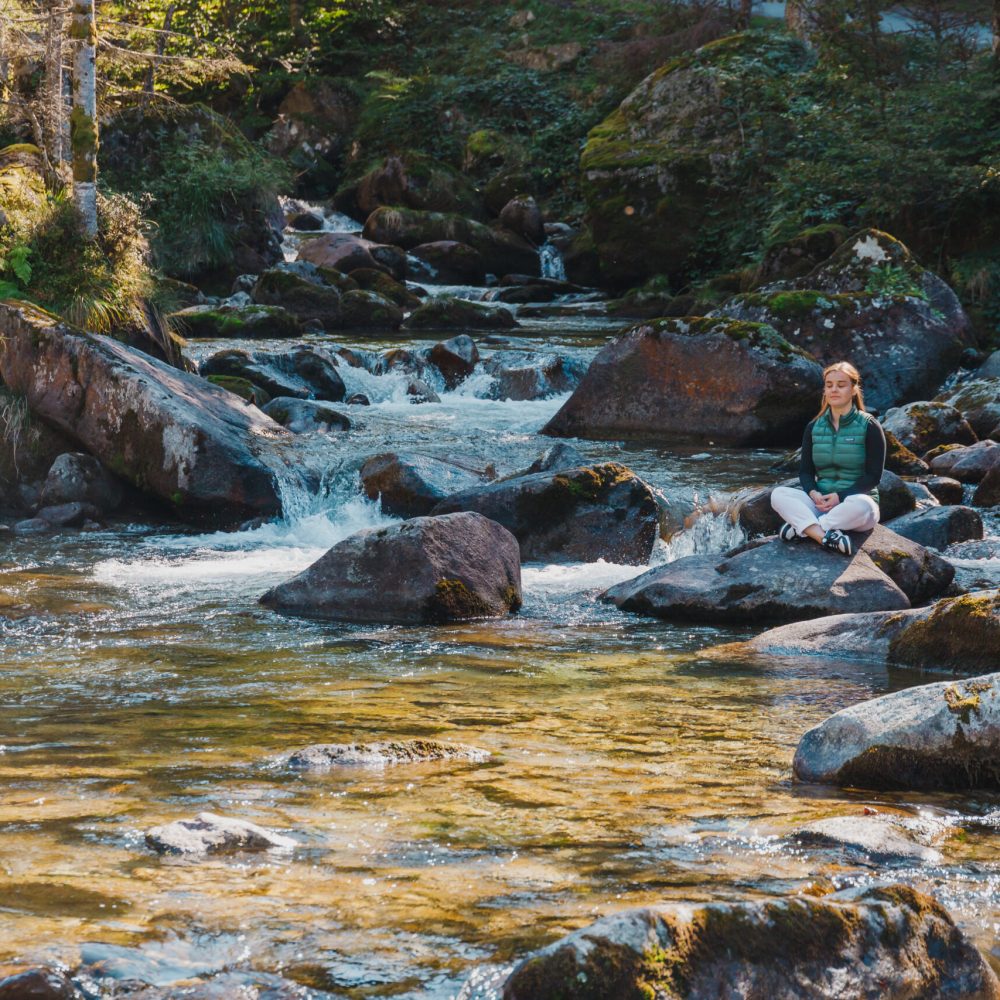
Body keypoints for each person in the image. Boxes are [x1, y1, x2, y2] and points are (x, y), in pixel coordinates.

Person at [770, 361, 885, 557]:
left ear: (854, 389)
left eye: (841, 385)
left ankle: (802, 529)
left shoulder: (869, 425)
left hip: (855, 506)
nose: (834, 390)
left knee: (863, 505)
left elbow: (873, 477)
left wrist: (840, 496)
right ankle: (824, 536)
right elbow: (806, 472)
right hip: (820, 503)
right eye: (829, 385)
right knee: (778, 494)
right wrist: (813, 493)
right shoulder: (813, 427)